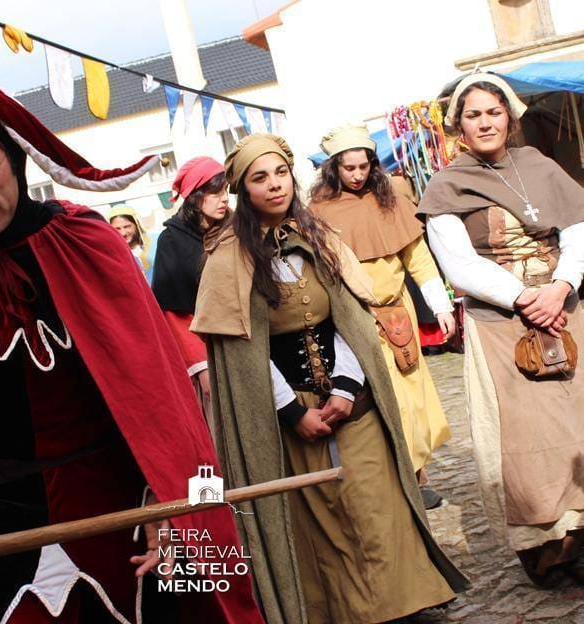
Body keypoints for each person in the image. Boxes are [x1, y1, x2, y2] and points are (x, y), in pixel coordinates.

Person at [0, 85, 263, 624]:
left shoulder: (88, 242)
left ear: (15, 159)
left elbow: (159, 396)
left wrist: (172, 499)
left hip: (128, 508)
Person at [192, 133, 468, 624]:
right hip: (288, 411)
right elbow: (244, 353)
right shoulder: (228, 256)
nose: (274, 185)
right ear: (243, 190)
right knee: (323, 521)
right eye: (260, 178)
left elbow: (351, 318)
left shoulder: (318, 235)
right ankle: (346, 612)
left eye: (281, 173)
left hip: (352, 401)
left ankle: (403, 603)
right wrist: (292, 412)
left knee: (377, 503)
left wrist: (345, 388)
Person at [418, 72, 584, 587]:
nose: (485, 122)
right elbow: (458, 264)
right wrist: (526, 298)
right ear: (459, 124)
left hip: (568, 309)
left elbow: (577, 229)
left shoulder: (539, 165)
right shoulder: (448, 185)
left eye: (494, 112)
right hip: (503, 324)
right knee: (530, 437)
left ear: (509, 117)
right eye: (474, 115)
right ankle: (552, 551)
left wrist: (561, 286)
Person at [309, 124, 455, 509]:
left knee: (411, 395)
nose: (357, 175)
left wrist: (441, 305)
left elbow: (418, 259)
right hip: (355, 318)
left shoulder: (391, 200)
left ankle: (417, 474)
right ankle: (395, 479)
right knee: (377, 398)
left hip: (398, 312)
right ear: (334, 168)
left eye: (364, 166)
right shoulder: (317, 212)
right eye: (349, 168)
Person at [151, 157, 229, 436]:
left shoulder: (233, 229)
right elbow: (173, 310)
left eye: (225, 191)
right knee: (216, 431)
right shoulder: (172, 240)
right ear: (195, 196)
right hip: (203, 351)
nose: (224, 198)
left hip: (241, 342)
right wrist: (202, 366)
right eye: (215, 192)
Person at [109, 205, 157, 283]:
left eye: (127, 226)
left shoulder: (155, 241)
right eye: (117, 229)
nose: (123, 233)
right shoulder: (112, 255)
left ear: (137, 225)